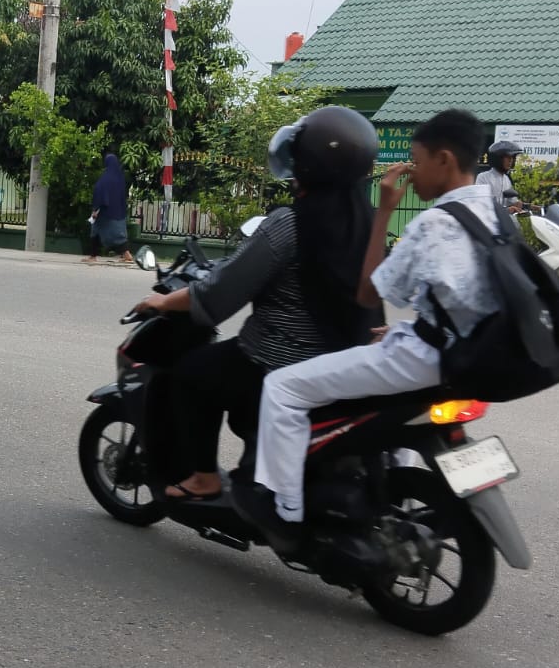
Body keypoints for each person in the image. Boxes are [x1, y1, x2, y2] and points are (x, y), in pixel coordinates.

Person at [234, 108, 502, 553]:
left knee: (282, 388)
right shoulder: (491, 215)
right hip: (467, 354)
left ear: (445, 160)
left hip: (425, 358)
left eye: (417, 161)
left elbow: (366, 292)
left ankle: (285, 514)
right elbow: (465, 295)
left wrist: (385, 212)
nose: (412, 172)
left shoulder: (434, 222)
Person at [132, 107, 383, 501]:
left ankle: (204, 478)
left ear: (309, 163)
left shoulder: (290, 224)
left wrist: (163, 302)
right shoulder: (370, 222)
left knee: (192, 374)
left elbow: (219, 294)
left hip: (278, 361)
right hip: (346, 364)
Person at [85, 153, 133, 263]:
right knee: (119, 235)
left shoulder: (106, 177)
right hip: (119, 212)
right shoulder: (120, 177)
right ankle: (126, 254)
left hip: (105, 212)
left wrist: (95, 209)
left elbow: (100, 193)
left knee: (95, 231)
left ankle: (93, 257)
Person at [477, 139, 522, 212]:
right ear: (497, 158)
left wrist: (527, 205)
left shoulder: (506, 179)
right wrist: (506, 210)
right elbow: (482, 203)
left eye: (512, 158)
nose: (510, 161)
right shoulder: (483, 177)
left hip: (502, 220)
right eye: (507, 157)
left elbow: (512, 200)